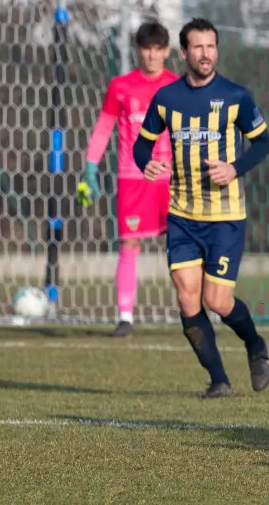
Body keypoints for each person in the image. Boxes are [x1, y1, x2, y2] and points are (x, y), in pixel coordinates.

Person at [134, 18, 269, 398]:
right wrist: (146, 163)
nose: (205, 53)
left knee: (216, 301)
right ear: (183, 53)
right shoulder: (166, 99)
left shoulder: (236, 96)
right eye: (198, 47)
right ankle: (218, 380)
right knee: (186, 299)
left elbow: (263, 142)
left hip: (225, 218)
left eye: (211, 46)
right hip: (182, 216)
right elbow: (141, 145)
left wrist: (234, 168)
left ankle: (255, 345)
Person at [78, 20, 179, 337]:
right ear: (138, 50)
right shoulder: (120, 86)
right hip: (132, 178)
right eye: (146, 49)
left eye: (157, 49)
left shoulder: (179, 87)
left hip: (171, 178)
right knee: (129, 244)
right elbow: (103, 127)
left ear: (166, 51)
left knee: (182, 244)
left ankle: (195, 313)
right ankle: (125, 318)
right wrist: (90, 168)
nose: (151, 55)